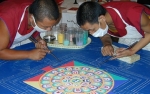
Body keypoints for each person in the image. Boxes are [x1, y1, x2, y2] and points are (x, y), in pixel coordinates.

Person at [76, 1, 150, 58]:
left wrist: (132, 51)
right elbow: (104, 32)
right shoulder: (99, 15)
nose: (91, 33)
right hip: (130, 37)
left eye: (92, 29)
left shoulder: (133, 13)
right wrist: (107, 44)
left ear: (101, 19)